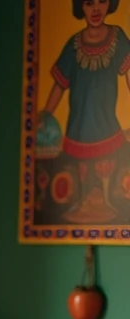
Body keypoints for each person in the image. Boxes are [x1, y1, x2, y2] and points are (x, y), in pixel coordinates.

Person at [37, 0, 130, 218]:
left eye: (101, 2)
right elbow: (60, 85)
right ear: (81, 7)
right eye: (89, 3)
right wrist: (46, 114)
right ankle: (81, 203)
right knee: (75, 176)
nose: (96, 9)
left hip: (107, 128)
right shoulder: (74, 44)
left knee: (113, 171)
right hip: (78, 129)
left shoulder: (117, 38)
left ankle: (106, 202)